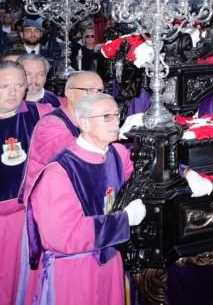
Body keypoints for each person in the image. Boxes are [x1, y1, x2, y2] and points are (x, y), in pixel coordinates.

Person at [24, 93, 144, 305]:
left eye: (117, 115)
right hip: (75, 269)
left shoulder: (115, 153)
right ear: (85, 123)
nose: (116, 122)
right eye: (106, 116)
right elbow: (64, 235)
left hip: (110, 260)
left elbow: (146, 172)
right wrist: (123, 220)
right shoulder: (59, 172)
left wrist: (186, 173)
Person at [0, 62, 53, 303]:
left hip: (26, 219)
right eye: (4, 86)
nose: (13, 92)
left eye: (19, 85)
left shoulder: (41, 115)